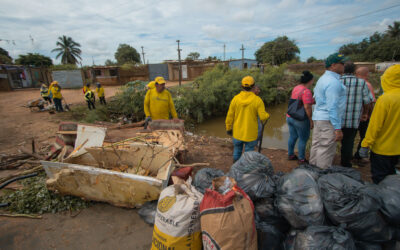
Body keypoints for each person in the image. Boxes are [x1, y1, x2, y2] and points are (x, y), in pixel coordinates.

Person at [359, 64, 400, 184]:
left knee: (380, 178)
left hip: (383, 149)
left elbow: (375, 126)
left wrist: (365, 144)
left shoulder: (385, 100)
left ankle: (383, 199)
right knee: (393, 175)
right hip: (397, 149)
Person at [309, 53, 347, 169]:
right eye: (342, 63)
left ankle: (312, 171)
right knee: (325, 149)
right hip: (328, 119)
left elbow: (315, 99)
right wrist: (337, 128)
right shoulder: (333, 82)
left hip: (319, 117)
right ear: (333, 65)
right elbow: (332, 106)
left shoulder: (323, 79)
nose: (344, 65)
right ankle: (322, 175)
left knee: (316, 145)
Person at [225, 76, 270, 162]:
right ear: (253, 86)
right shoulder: (257, 100)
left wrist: (228, 128)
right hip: (251, 135)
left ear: (242, 86)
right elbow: (263, 117)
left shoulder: (235, 99)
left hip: (237, 133)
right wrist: (268, 115)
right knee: (248, 155)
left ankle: (236, 166)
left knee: (237, 151)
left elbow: (229, 116)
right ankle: (245, 170)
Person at [339, 62, 373, 168]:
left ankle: (327, 162)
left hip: (337, 119)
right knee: (348, 142)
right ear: (354, 71)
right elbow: (367, 101)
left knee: (332, 141)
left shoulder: (337, 81)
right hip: (353, 119)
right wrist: (365, 113)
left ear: (343, 70)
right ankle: (345, 164)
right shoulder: (361, 83)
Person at [286, 71, 315, 164]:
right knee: (303, 138)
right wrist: (311, 120)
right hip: (300, 119)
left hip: (290, 116)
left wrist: (311, 101)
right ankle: (301, 159)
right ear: (310, 81)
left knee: (293, 136)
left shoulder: (296, 88)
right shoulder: (306, 91)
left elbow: (298, 100)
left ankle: (290, 155)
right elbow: (307, 107)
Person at [354, 66, 376, 160]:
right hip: (363, 115)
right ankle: (359, 156)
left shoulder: (352, 83)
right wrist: (369, 114)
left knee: (350, 137)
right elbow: (371, 102)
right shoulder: (367, 85)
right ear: (366, 74)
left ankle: (348, 156)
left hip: (353, 116)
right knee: (364, 136)